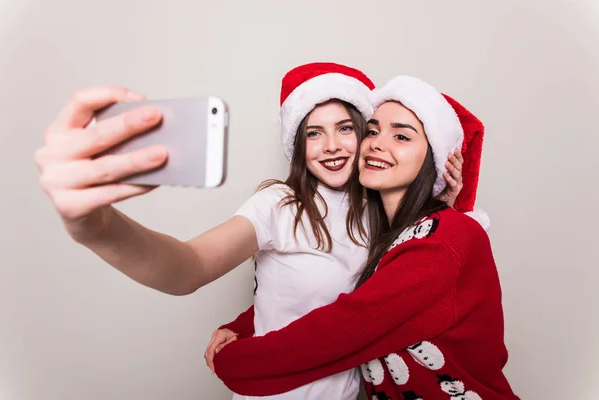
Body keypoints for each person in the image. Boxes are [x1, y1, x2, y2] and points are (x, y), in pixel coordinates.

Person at [34, 63, 463, 400]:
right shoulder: (280, 204)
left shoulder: (379, 210)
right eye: (314, 133)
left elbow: (410, 276)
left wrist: (443, 194)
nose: (331, 145)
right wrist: (98, 226)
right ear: (297, 147)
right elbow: (190, 265)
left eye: (345, 128)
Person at [211, 76, 518, 400]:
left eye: (401, 136)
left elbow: (347, 328)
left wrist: (230, 362)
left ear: (435, 160)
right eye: (371, 131)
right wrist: (244, 327)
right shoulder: (387, 242)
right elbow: (346, 293)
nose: (377, 143)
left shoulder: (447, 236)